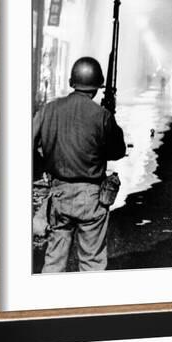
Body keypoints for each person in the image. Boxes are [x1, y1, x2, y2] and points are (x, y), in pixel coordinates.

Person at [33, 56, 126, 272]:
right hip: (91, 200)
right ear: (96, 87)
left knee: (54, 261)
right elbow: (118, 151)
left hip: (58, 195)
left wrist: (48, 163)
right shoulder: (102, 116)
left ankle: (47, 304)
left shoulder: (49, 109)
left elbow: (26, 145)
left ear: (72, 82)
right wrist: (110, 117)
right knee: (92, 264)